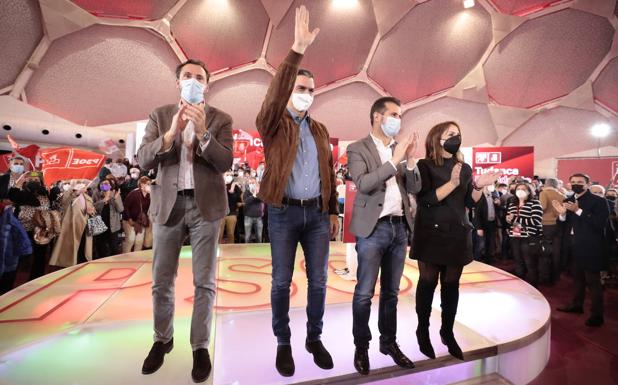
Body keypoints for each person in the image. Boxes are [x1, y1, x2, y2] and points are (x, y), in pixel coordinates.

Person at [137, 55, 233, 383]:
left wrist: (204, 133)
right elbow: (143, 159)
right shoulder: (160, 115)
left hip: (206, 208)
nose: (193, 81)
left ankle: (200, 345)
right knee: (161, 280)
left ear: (207, 84)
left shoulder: (221, 118)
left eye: (199, 77)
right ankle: (162, 339)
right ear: (178, 81)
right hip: (168, 205)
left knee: (204, 282)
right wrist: (169, 135)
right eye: (187, 76)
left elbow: (225, 163)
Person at [255, 6, 339, 377]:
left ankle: (313, 337)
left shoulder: (319, 130)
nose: (306, 94)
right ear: (290, 90)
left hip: (317, 216)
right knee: (280, 281)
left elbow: (329, 173)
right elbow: (273, 99)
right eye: (300, 89)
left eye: (310, 90)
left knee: (319, 280)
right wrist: (296, 52)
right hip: (283, 212)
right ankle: (283, 341)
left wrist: (332, 210)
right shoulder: (273, 124)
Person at [346, 96, 421, 375]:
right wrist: (396, 159)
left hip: (399, 228)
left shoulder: (398, 149)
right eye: (393, 114)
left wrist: (411, 162)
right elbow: (363, 183)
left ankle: (388, 343)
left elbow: (413, 186)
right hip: (373, 229)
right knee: (364, 293)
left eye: (400, 116)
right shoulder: (357, 148)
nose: (397, 120)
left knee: (391, 293)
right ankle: (361, 346)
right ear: (377, 116)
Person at [412, 121, 500, 361]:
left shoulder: (465, 167)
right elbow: (426, 199)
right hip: (431, 234)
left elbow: (470, 203)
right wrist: (451, 183)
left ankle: (447, 332)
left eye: (458, 134)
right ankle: (422, 331)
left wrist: (479, 187)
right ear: (436, 138)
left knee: (451, 287)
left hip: (457, 234)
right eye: (450, 134)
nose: (456, 138)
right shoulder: (424, 165)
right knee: (427, 283)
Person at [554, 174, 610, 327]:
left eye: (580, 182)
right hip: (573, 245)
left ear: (588, 184)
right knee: (577, 279)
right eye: (573, 182)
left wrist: (578, 210)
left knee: (593, 282)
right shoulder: (568, 200)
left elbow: (599, 224)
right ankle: (576, 305)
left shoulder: (599, 201)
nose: (576, 184)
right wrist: (563, 214)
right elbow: (564, 225)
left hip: (591, 247)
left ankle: (597, 315)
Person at [50, 180, 95, 268]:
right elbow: (64, 203)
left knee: (83, 248)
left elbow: (91, 208)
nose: (82, 185)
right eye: (79, 183)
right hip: (72, 226)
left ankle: (82, 265)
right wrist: (76, 193)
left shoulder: (86, 196)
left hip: (85, 226)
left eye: (82, 183)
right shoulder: (68, 193)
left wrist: (91, 211)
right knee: (72, 249)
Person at [505, 183, 544, 287]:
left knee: (530, 262)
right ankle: (520, 285)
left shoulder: (535, 203)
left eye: (523, 189)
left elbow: (536, 221)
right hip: (515, 236)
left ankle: (533, 286)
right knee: (518, 261)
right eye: (518, 188)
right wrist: (509, 223)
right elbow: (510, 219)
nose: (520, 190)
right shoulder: (512, 203)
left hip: (529, 237)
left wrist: (515, 219)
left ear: (529, 191)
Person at [538, 178, 565, 284]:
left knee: (545, 251)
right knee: (556, 251)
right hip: (558, 224)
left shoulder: (544, 193)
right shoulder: (562, 195)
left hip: (546, 224)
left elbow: (542, 207)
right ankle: (555, 276)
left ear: (545, 184)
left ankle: (545, 277)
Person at [92, 178, 124, 259]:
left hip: (113, 226)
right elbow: (93, 208)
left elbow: (120, 209)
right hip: (100, 224)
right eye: (103, 184)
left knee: (114, 247)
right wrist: (103, 200)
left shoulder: (115, 194)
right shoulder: (96, 194)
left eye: (107, 184)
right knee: (101, 247)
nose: (105, 186)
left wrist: (115, 198)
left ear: (110, 185)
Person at [122, 177, 152, 253]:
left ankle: (136, 258)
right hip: (130, 220)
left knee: (139, 241)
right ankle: (125, 257)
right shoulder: (134, 193)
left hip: (141, 221)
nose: (150, 186)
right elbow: (126, 206)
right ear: (142, 185)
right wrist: (129, 219)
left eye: (150, 184)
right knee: (130, 240)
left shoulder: (149, 195)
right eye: (148, 184)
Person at [219, 173, 242, 243]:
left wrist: (232, 192)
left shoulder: (236, 187)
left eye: (229, 175)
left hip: (232, 213)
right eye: (226, 175)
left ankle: (231, 250)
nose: (228, 177)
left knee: (231, 234)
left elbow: (238, 200)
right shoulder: (219, 185)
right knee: (219, 234)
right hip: (220, 214)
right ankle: (217, 250)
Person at [242, 178, 264, 243]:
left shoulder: (260, 193)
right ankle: (247, 250)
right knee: (247, 236)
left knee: (259, 236)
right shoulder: (246, 192)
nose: (252, 184)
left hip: (258, 217)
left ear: (256, 184)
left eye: (253, 183)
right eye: (250, 183)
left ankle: (259, 251)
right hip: (248, 217)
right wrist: (253, 195)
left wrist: (257, 193)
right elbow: (246, 202)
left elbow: (262, 200)